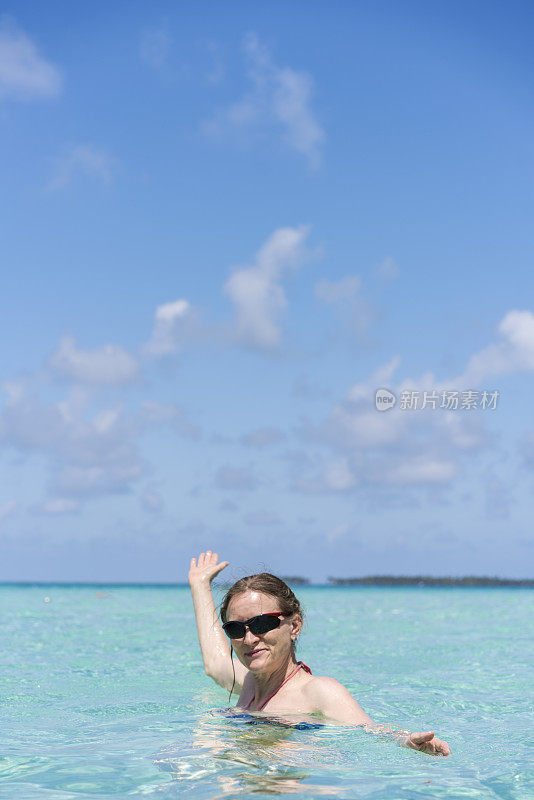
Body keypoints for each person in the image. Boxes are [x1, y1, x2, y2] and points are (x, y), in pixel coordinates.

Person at [189, 551, 451, 756]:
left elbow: (370, 731)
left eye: (262, 624)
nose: (248, 638)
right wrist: (200, 585)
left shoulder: (319, 691)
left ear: (294, 626)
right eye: (235, 628)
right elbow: (215, 664)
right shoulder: (249, 684)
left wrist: (407, 741)